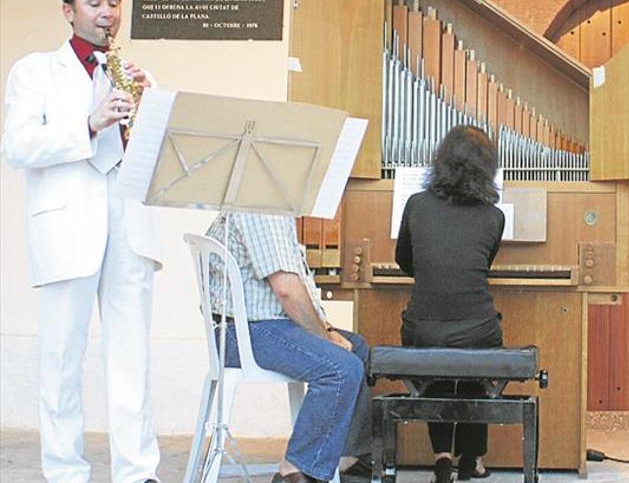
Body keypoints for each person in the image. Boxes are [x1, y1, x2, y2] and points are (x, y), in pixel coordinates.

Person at [1, 0, 162, 482]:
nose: (108, 13)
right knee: (62, 358)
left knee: (132, 357)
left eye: (113, 2)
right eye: (95, 3)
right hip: (67, 224)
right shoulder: (35, 70)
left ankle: (138, 472)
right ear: (68, 12)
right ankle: (66, 472)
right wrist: (90, 123)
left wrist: (151, 105)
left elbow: (161, 152)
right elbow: (18, 145)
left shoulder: (137, 75)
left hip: (128, 224)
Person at [206, 212, 371, 483]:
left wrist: (327, 329)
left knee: (357, 348)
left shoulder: (268, 205)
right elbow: (287, 290)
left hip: (259, 327)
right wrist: (326, 338)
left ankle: (343, 460)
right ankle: (294, 469)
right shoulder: (263, 209)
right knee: (341, 369)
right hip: (248, 332)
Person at [395, 125, 505, 483]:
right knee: (477, 349)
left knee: (435, 358)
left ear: (441, 161)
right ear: (487, 167)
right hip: (477, 331)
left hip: (423, 329)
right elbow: (481, 265)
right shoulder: (494, 216)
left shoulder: (416, 205)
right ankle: (471, 459)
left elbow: (404, 262)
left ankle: (441, 457)